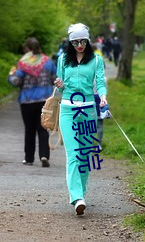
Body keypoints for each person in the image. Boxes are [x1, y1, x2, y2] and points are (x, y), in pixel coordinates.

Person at [54, 23, 107, 215]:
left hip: (88, 111)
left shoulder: (96, 60)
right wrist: (59, 84)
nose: (79, 45)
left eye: (83, 41)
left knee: (85, 156)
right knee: (73, 154)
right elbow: (60, 89)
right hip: (68, 110)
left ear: (88, 40)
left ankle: (81, 193)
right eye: (75, 42)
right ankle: (76, 197)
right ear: (70, 42)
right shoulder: (62, 60)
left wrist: (102, 96)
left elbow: (100, 82)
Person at [8, 37, 57, 167]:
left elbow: (16, 82)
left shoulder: (23, 63)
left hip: (27, 101)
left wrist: (11, 75)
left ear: (27, 49)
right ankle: (44, 155)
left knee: (29, 130)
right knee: (43, 129)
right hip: (44, 101)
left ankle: (29, 158)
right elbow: (55, 79)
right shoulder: (48, 62)